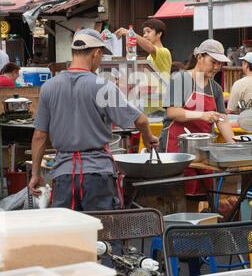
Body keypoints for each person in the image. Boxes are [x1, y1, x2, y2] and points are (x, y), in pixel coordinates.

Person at [29, 28, 159, 214]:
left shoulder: (49, 87)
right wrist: (148, 138)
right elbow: (141, 121)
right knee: (103, 234)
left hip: (63, 175)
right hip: (97, 175)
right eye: (101, 56)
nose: (99, 62)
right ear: (96, 53)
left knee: (66, 237)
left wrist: (35, 174)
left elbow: (39, 136)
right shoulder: (102, 86)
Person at [159, 39, 235, 199]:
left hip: (203, 156)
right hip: (176, 152)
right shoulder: (180, 79)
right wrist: (202, 115)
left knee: (201, 198)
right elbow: (172, 112)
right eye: (213, 62)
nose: (216, 67)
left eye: (219, 64)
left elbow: (223, 120)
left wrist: (235, 148)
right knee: (175, 197)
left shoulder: (216, 89)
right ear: (200, 57)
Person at [115, 18, 172, 116]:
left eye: (148, 31)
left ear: (159, 34)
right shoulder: (149, 57)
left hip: (160, 108)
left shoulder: (164, 52)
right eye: (144, 32)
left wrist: (130, 33)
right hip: (148, 107)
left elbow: (150, 48)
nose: (145, 35)